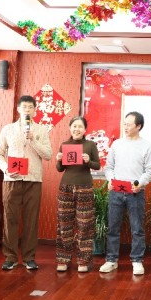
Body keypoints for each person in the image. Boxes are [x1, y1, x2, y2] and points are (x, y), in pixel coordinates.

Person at [0, 95, 52, 271]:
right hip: (12, 180)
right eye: (24, 107)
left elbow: (48, 155)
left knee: (31, 220)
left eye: (30, 107)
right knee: (10, 218)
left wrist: (33, 139)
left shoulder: (41, 130)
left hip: (33, 180)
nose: (27, 110)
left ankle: (29, 257)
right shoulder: (8, 129)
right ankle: (10, 257)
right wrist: (6, 169)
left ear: (35, 111)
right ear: (18, 109)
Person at [99, 112, 151, 275]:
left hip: (136, 192)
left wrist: (139, 183)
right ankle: (111, 260)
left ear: (139, 126)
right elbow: (109, 167)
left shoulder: (146, 146)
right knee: (113, 227)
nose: (126, 127)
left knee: (137, 228)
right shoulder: (117, 144)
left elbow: (149, 171)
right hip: (116, 191)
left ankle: (137, 261)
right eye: (125, 123)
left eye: (129, 124)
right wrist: (110, 180)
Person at [54, 116, 100, 273]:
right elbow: (60, 169)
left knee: (85, 224)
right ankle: (63, 259)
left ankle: (83, 261)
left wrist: (88, 161)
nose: (77, 129)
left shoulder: (90, 145)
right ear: (70, 128)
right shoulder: (64, 145)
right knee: (64, 224)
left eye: (80, 126)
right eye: (74, 126)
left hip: (85, 187)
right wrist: (58, 160)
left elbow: (97, 165)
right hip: (65, 187)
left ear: (85, 129)